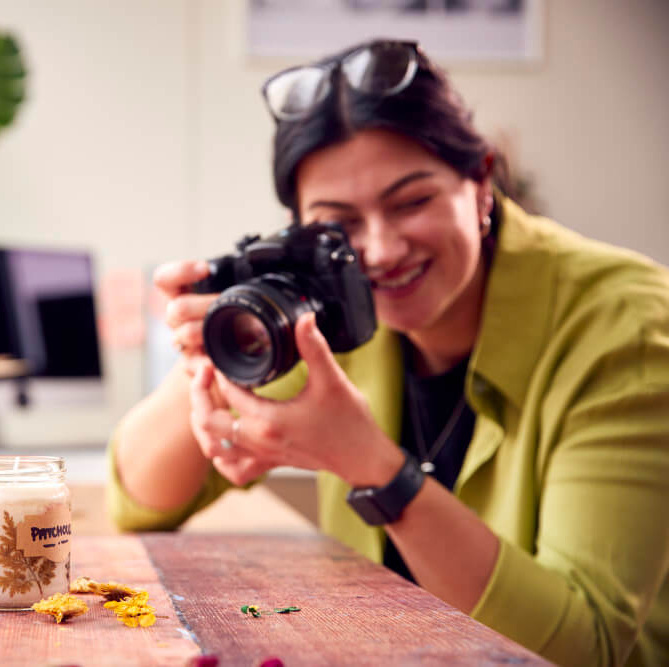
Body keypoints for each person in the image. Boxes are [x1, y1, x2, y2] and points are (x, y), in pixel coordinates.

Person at [105, 39, 669, 666]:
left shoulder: (628, 325)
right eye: (338, 226)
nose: (380, 250)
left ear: (481, 184)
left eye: (412, 201)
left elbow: (584, 647)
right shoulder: (328, 304)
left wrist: (373, 467)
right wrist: (209, 356)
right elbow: (136, 500)